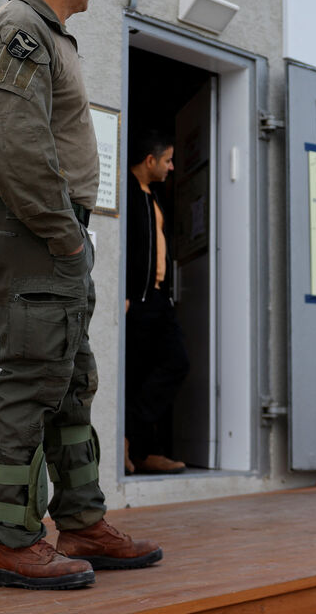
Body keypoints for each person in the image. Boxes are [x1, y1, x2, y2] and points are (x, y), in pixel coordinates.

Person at [0, 0, 161, 589]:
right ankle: (12, 542)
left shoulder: (47, 35)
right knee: (32, 383)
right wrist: (67, 239)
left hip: (50, 232)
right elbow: (22, 155)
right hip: (35, 231)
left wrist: (71, 238)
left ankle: (81, 522)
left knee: (71, 382)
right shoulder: (19, 32)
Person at [124, 129, 191, 475]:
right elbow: (122, 247)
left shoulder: (153, 196)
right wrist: (124, 293)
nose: (172, 167)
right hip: (137, 300)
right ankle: (140, 450)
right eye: (168, 160)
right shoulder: (128, 194)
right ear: (150, 160)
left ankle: (133, 440)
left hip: (159, 299)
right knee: (137, 373)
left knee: (175, 363)